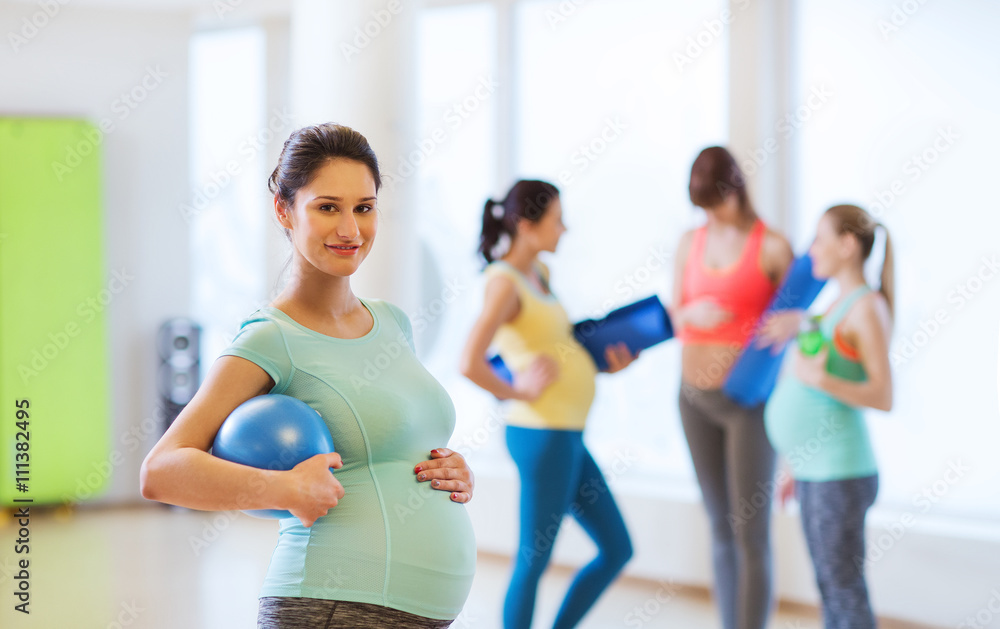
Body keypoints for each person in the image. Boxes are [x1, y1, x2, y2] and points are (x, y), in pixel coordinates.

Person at [140, 123, 477, 629]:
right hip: (333, 605)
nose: (350, 229)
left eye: (364, 207)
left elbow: (395, 445)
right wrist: (282, 488)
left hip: (420, 611)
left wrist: (451, 469)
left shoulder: (393, 323)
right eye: (327, 207)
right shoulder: (270, 338)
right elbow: (160, 471)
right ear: (284, 209)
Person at [459, 180, 635, 629]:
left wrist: (599, 364)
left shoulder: (541, 275)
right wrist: (517, 390)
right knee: (534, 557)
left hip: (566, 432)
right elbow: (469, 362)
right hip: (541, 433)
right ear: (526, 224)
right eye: (557, 219)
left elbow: (554, 345)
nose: (565, 228)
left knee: (617, 548)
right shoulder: (503, 283)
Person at [671, 147, 795, 629]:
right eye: (701, 206)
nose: (710, 215)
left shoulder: (773, 247)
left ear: (735, 189)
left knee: (751, 534)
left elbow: (794, 328)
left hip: (748, 405)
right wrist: (689, 316)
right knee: (719, 527)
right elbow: (672, 315)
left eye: (715, 203)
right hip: (692, 399)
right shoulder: (689, 242)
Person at [764, 204, 894, 629]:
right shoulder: (839, 304)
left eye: (820, 239)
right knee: (829, 586)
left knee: (843, 589)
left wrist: (822, 381)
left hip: (840, 471)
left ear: (848, 245)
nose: (811, 250)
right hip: (815, 469)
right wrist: (793, 463)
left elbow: (883, 394)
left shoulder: (866, 308)